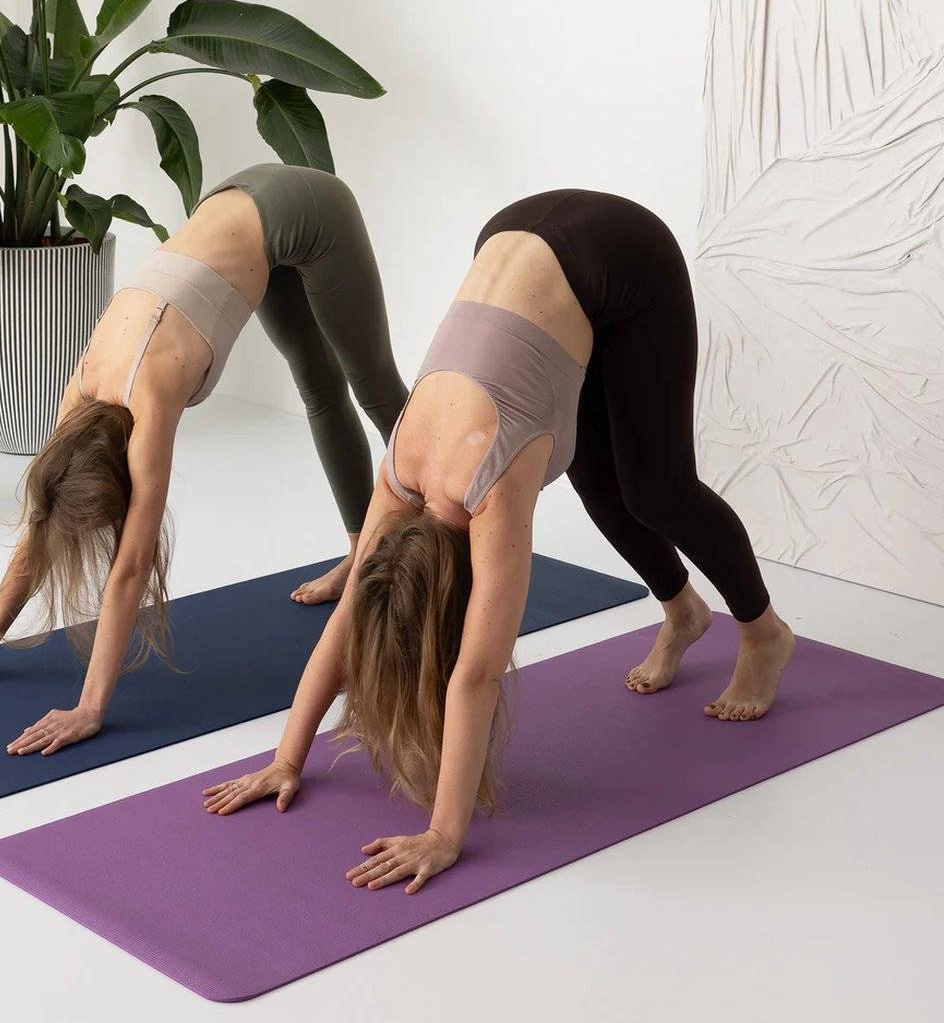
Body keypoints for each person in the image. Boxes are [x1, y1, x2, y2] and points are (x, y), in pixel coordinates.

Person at [205, 189, 796, 893]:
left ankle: (762, 632)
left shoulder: (492, 489)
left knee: (656, 487)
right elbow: (347, 620)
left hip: (621, 253)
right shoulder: (399, 472)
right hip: (514, 233)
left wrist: (443, 833)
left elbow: (475, 675)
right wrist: (286, 758)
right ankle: (683, 613)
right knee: (599, 480)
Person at [0, 164, 408, 756]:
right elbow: (40, 526)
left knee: (373, 385)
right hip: (241, 206)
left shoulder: (150, 399)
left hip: (311, 208)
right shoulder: (81, 392)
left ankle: (458, 496)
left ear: (121, 477)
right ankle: (357, 549)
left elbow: (131, 568)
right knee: (317, 386)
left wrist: (90, 707)